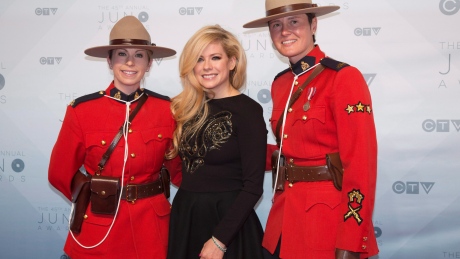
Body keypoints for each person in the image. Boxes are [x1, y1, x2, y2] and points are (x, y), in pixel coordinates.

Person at [243, 1, 379, 258]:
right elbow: (291, 149)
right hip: (284, 218)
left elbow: (361, 165)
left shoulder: (343, 77)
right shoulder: (281, 83)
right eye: (276, 25)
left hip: (326, 222)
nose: (285, 31)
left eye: (294, 22)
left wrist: (351, 241)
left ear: (313, 24)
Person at [48, 16, 182, 258]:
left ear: (149, 63)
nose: (130, 61)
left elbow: (179, 170)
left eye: (139, 54)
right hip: (100, 228)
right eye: (121, 54)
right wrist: (96, 195)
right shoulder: (82, 111)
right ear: (109, 60)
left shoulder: (167, 110)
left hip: (152, 229)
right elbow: (59, 172)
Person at [166, 25, 267, 259]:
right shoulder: (187, 109)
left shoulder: (249, 111)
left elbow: (253, 186)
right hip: (186, 219)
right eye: (199, 59)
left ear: (232, 62)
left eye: (215, 57)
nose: (207, 66)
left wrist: (220, 240)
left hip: (229, 227)